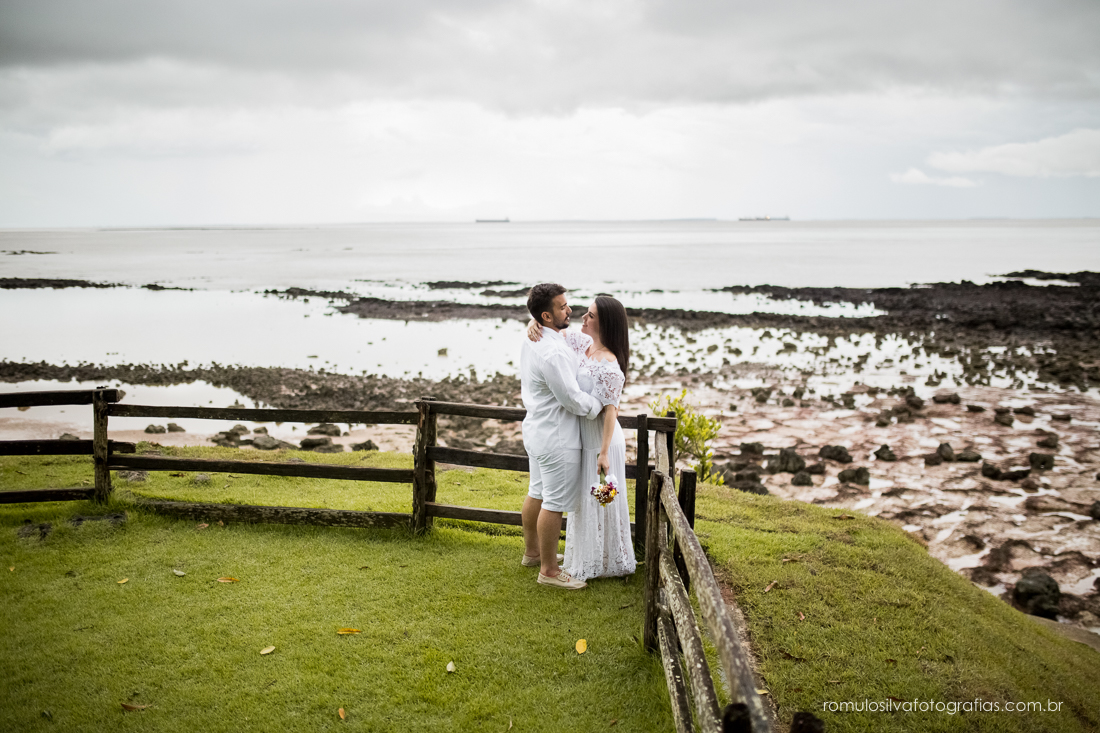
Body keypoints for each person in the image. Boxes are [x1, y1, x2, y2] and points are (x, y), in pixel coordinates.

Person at [526, 295, 637, 581]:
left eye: (590, 316)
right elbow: (554, 332)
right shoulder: (581, 344)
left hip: (602, 443)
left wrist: (602, 453)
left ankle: (607, 559)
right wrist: (533, 322)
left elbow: (611, 412)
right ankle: (585, 556)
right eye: (585, 314)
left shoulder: (611, 364)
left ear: (605, 323)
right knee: (584, 502)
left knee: (603, 500)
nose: (582, 318)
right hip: (583, 440)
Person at [519, 283, 603, 590]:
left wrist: (534, 323)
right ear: (547, 315)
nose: (570, 310)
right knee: (553, 503)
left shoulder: (536, 339)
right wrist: (601, 406)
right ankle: (550, 570)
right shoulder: (552, 351)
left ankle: (532, 553)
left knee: (537, 492)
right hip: (556, 436)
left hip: (536, 430)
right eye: (562, 307)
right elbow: (572, 399)